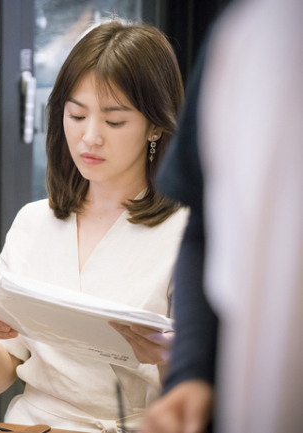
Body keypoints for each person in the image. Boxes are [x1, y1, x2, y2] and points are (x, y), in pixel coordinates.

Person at [0, 21, 188, 432]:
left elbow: (209, 397)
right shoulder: (34, 223)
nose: (90, 137)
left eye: (115, 122)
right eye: (77, 115)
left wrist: (172, 357)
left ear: (156, 126)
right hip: (32, 426)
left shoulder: (184, 235)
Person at [141, 1, 303, 432]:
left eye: (115, 119)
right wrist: (193, 374)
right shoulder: (244, 37)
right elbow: (206, 228)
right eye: (76, 114)